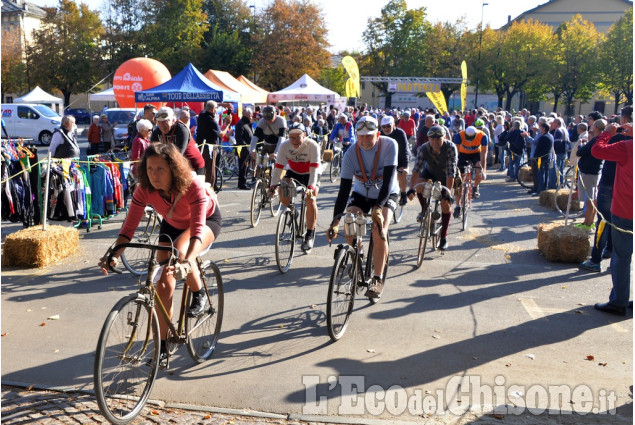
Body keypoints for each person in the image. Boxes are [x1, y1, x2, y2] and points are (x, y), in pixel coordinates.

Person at [99, 143, 222, 362]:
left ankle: (199, 292)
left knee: (182, 253)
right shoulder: (144, 189)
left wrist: (186, 262)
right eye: (149, 169)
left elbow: (195, 233)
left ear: (174, 169)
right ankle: (165, 344)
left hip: (204, 222)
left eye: (160, 169)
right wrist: (114, 254)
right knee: (163, 283)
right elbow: (128, 229)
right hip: (172, 223)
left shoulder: (192, 185)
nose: (154, 175)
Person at [327, 116, 399, 299]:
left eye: (369, 136)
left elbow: (389, 181)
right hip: (362, 193)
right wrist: (335, 221)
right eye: (362, 136)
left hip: (386, 193)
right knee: (349, 221)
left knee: (378, 229)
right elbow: (343, 191)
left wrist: (378, 207)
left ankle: (377, 278)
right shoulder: (351, 153)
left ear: (377, 133)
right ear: (356, 135)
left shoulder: (390, 145)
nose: (365, 140)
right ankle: (356, 255)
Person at [580, 106, 633, 272]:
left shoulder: (618, 140)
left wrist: (607, 133)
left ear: (624, 120)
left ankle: (596, 259)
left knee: (604, 221)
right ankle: (612, 254)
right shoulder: (626, 140)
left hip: (612, 186)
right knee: (617, 226)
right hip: (621, 188)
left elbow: (596, 150)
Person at [590, 122, 633, 316]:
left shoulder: (627, 147)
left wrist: (607, 133)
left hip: (625, 209)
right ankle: (621, 297)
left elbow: (598, 150)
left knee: (621, 257)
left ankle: (619, 301)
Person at [269, 123, 321, 251]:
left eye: (298, 137)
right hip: (294, 172)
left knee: (311, 199)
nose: (295, 141)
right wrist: (272, 186)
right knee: (282, 190)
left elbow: (314, 171)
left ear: (304, 135)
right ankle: (293, 211)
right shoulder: (284, 145)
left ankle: (309, 234)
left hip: (311, 173)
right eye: (292, 137)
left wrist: (310, 188)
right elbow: (278, 168)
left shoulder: (313, 145)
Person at [407, 125, 458, 250]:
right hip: (430, 172)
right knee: (419, 186)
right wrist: (411, 188)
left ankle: (444, 237)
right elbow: (416, 170)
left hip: (446, 174)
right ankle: (425, 210)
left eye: (438, 139)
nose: (435, 141)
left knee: (446, 204)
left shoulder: (450, 147)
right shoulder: (424, 148)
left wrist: (448, 194)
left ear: (444, 137)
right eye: (432, 139)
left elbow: (451, 173)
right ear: (428, 139)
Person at [151, 107, 206, 176]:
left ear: (173, 120)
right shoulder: (157, 131)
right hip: (175, 165)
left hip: (193, 165)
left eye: (165, 121)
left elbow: (178, 154)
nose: (162, 125)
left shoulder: (182, 130)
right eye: (159, 122)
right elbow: (151, 151)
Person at [575, 119, 606, 231]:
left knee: (590, 199)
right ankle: (588, 222)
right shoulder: (602, 139)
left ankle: (588, 224)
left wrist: (582, 145)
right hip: (595, 171)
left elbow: (580, 152)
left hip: (590, 172)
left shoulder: (596, 140)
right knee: (592, 198)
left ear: (595, 128)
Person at [452, 125, 488, 217]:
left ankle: (475, 186)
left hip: (476, 154)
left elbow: (484, 155)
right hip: (463, 154)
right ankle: (457, 205)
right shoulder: (459, 135)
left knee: (479, 167)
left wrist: (483, 170)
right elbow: (455, 153)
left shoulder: (483, 136)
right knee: (459, 180)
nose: (469, 140)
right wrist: (455, 168)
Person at [380, 115, 411, 206]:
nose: (386, 129)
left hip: (401, 157)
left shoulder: (400, 133)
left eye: (388, 126)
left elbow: (404, 150)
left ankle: (403, 193)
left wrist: (405, 167)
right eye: (383, 127)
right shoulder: (380, 134)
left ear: (394, 125)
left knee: (402, 175)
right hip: (388, 158)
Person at [197, 100, 222, 188]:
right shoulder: (210, 119)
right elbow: (221, 134)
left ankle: (202, 187)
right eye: (216, 108)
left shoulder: (201, 116)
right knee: (210, 170)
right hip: (210, 148)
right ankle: (210, 188)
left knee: (202, 168)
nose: (216, 110)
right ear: (212, 109)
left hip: (201, 146)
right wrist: (227, 124)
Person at [234, 107, 253, 190]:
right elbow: (238, 137)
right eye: (250, 113)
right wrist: (245, 146)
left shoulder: (247, 123)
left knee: (246, 167)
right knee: (243, 167)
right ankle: (242, 184)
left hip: (248, 149)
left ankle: (244, 182)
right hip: (243, 149)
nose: (252, 115)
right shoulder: (240, 124)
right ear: (246, 114)